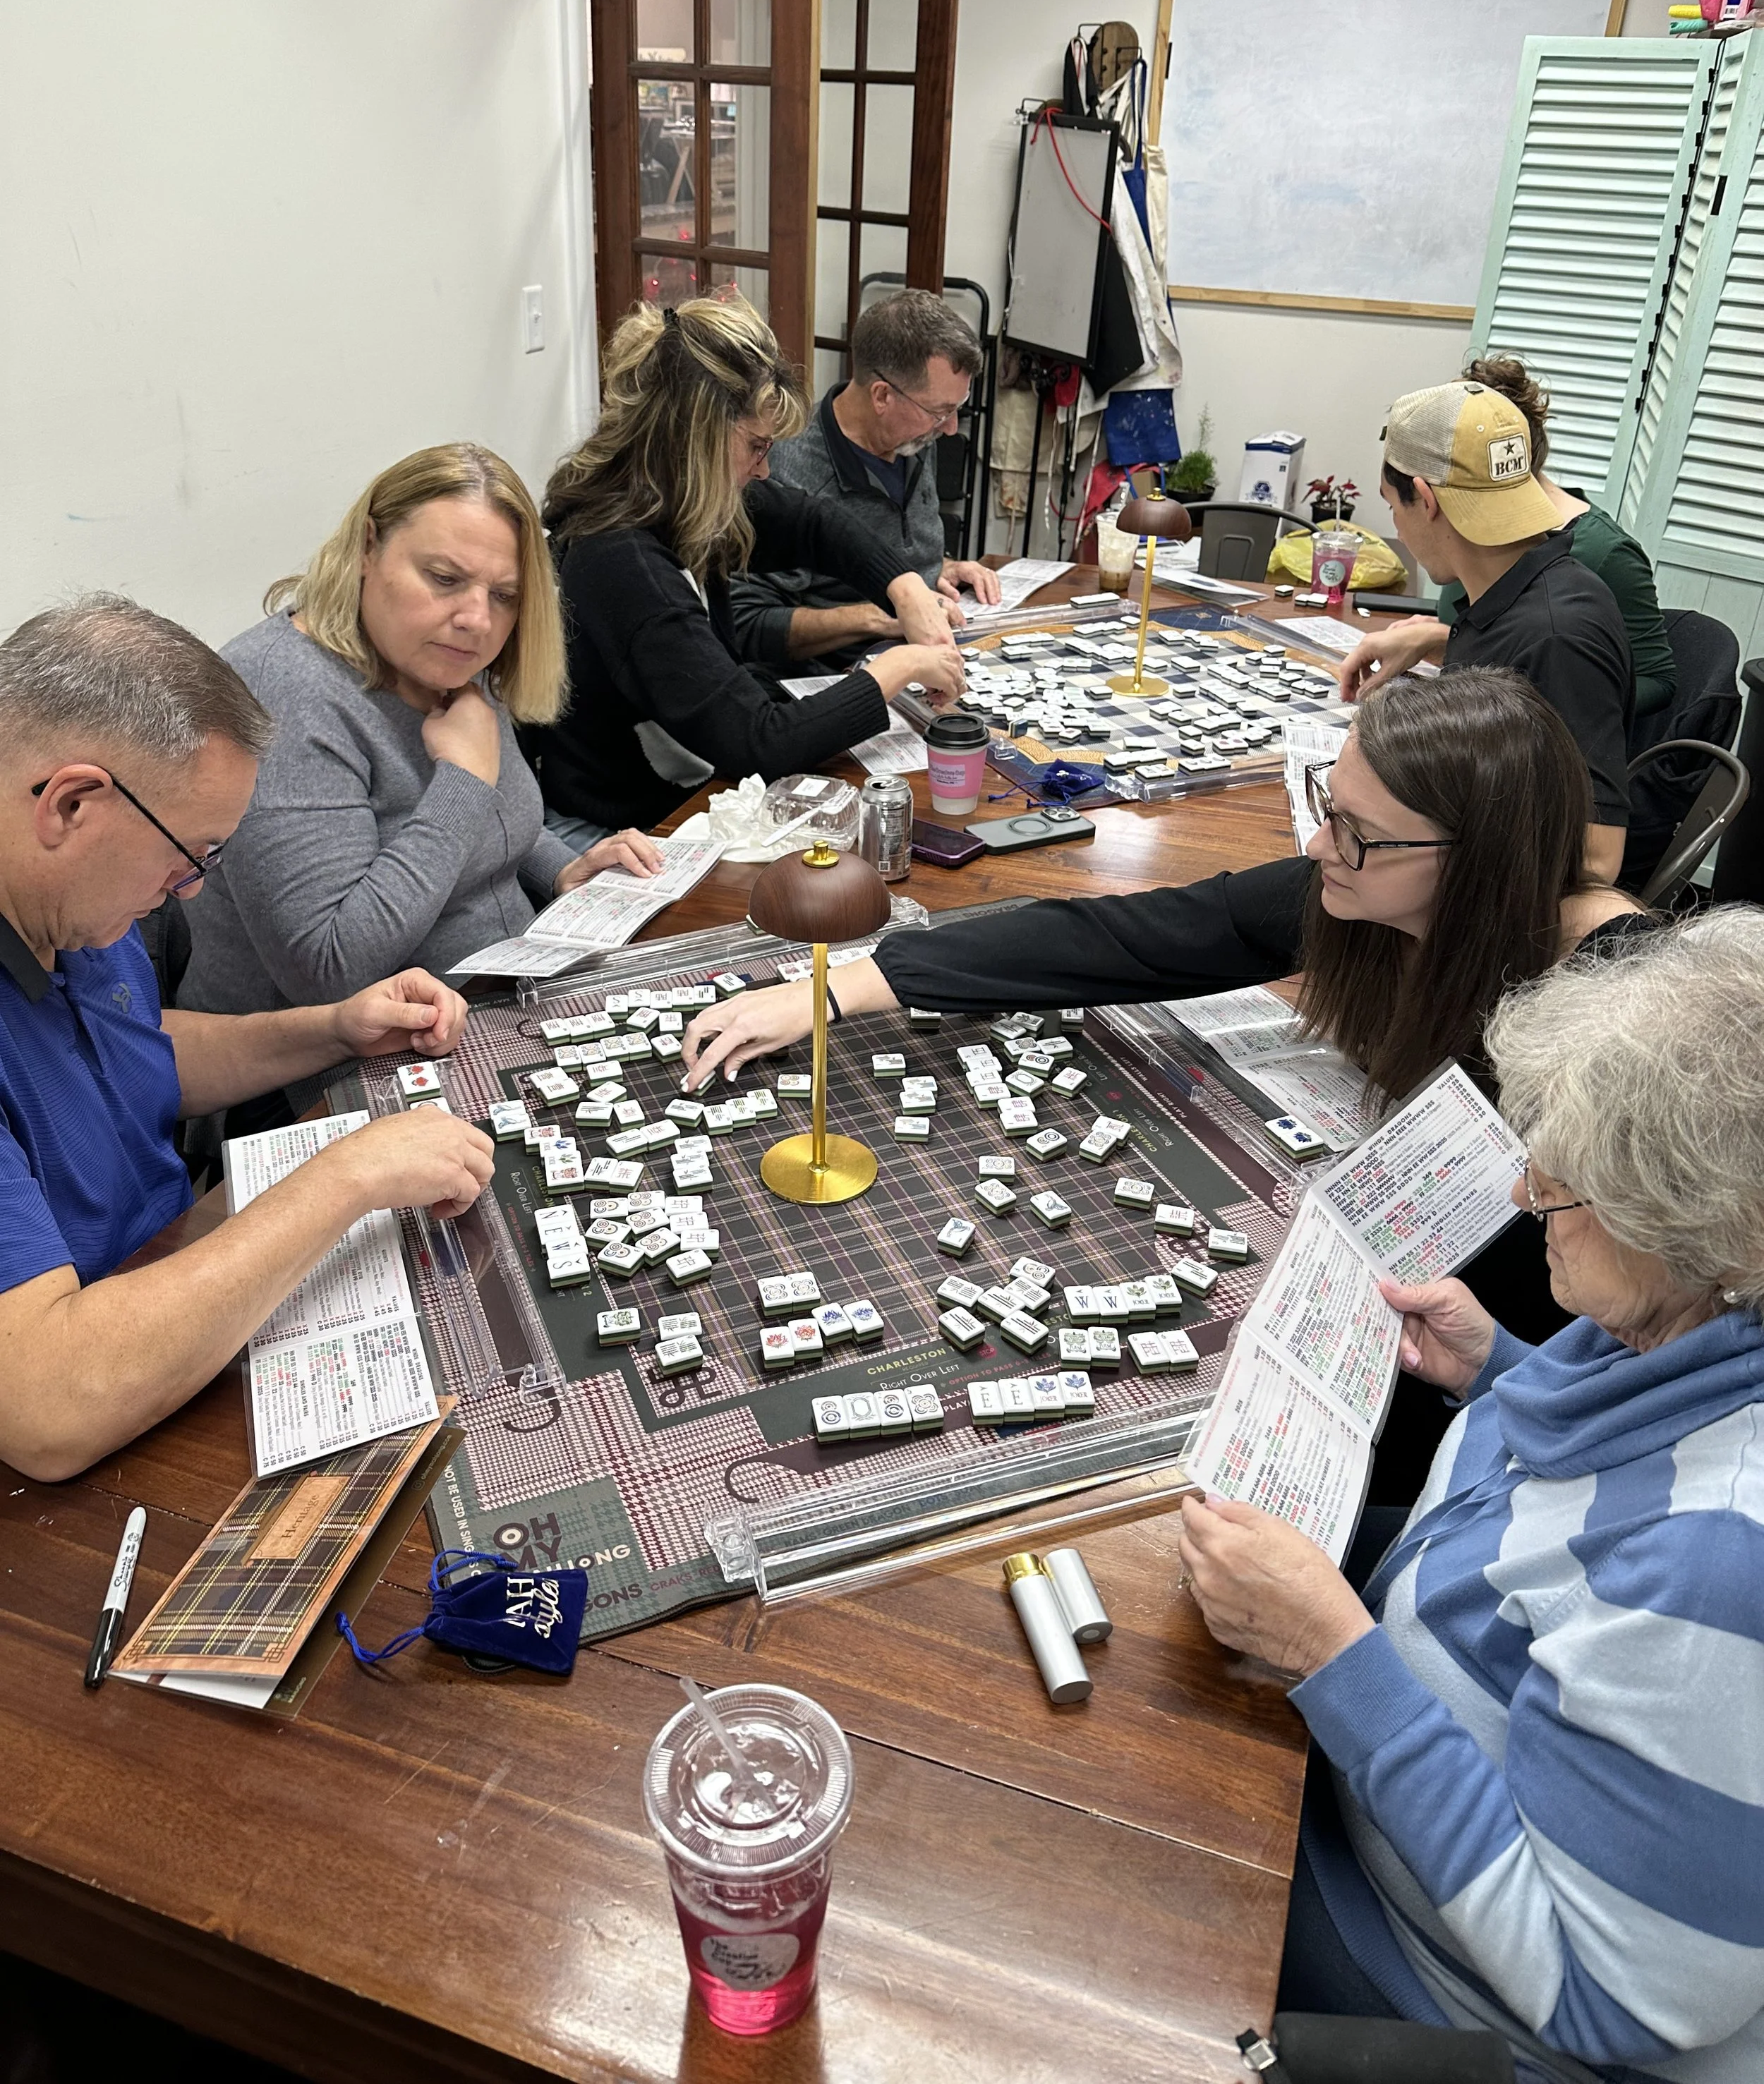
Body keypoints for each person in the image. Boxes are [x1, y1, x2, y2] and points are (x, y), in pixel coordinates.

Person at [682, 668, 1650, 1498]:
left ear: (1471, 861)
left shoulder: (1625, 1021)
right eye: (1328, 806)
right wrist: (842, 989)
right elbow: (1135, 937)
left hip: (1509, 1396)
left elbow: (1627, 1340)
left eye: (1356, 832)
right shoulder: (1369, 894)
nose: (1320, 847)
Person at [1176, 911, 1764, 2078]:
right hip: (1376, 1764)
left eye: (1566, 1183)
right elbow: (1609, 1489)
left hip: (1427, 1980)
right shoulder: (1681, 1324)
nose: (1526, 1190)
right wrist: (1504, 1373)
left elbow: (1613, 1999)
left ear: (1687, 1226)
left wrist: (1337, 1658)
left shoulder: (1720, 1567)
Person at [0, 596, 493, 1482]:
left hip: (173, 1283)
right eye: (190, 854)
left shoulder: (69, 905)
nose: (192, 889)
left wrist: (331, 1029)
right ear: (71, 803)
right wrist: (346, 1177)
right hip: (92, 1409)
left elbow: (123, 1050)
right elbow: (49, 1406)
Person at [179, 443, 663, 1019]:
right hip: (335, 1056)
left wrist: (560, 869)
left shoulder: (442, 652)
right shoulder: (282, 692)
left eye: (504, 595)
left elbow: (495, 819)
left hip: (501, 990)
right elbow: (328, 970)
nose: (477, 619)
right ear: (367, 547)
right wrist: (462, 779)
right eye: (444, 578)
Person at [524, 296, 966, 838]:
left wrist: (906, 589)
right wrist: (902, 666)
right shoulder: (621, 561)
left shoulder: (674, 490)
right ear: (696, 439)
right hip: (625, 828)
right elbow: (762, 741)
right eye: (757, 447)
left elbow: (811, 522)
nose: (764, 470)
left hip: (689, 793)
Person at [1335, 377, 1633, 883]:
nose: (1397, 527)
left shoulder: (1557, 640)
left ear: (1425, 499)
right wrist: (1437, 638)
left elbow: (1595, 860)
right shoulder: (1514, 594)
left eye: (1391, 506)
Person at [728, 288, 1001, 672]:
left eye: (957, 409)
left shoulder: (914, 438)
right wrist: (884, 615)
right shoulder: (783, 469)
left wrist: (938, 567)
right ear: (882, 396)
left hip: (935, 650)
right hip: (839, 678)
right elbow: (748, 623)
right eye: (941, 412)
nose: (951, 428)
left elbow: (891, 538)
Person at [1432, 353, 1676, 715]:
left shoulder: (1605, 553)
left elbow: (1658, 679)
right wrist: (1438, 641)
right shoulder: (1465, 529)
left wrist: (1527, 700)